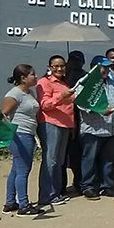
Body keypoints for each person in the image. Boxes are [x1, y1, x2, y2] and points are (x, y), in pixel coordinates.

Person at [2, 65, 45, 216]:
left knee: (16, 169)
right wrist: (9, 134)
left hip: (28, 133)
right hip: (20, 135)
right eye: (32, 74)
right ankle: (24, 205)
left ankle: (10, 202)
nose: (36, 76)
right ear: (23, 78)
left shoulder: (29, 92)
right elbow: (3, 115)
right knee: (23, 170)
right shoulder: (14, 94)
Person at [76, 56, 114, 199]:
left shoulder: (112, 82)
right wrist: (100, 110)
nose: (106, 70)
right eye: (103, 67)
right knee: (89, 158)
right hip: (93, 129)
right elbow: (81, 104)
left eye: (108, 67)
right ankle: (88, 186)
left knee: (109, 159)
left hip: (111, 129)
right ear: (95, 68)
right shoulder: (84, 83)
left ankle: (106, 185)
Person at [37, 55, 76, 206]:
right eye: (56, 66)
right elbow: (45, 105)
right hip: (50, 124)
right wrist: (61, 96)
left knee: (59, 161)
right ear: (50, 67)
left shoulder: (65, 84)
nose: (59, 68)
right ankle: (46, 196)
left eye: (62, 66)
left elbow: (69, 108)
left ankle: (56, 193)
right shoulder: (44, 82)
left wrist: (72, 126)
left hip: (65, 125)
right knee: (50, 160)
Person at [62, 50, 87, 196]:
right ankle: (61, 186)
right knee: (62, 157)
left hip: (80, 119)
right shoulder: (62, 76)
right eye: (73, 60)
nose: (76, 63)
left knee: (77, 154)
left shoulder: (85, 76)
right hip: (64, 119)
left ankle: (79, 182)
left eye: (79, 60)